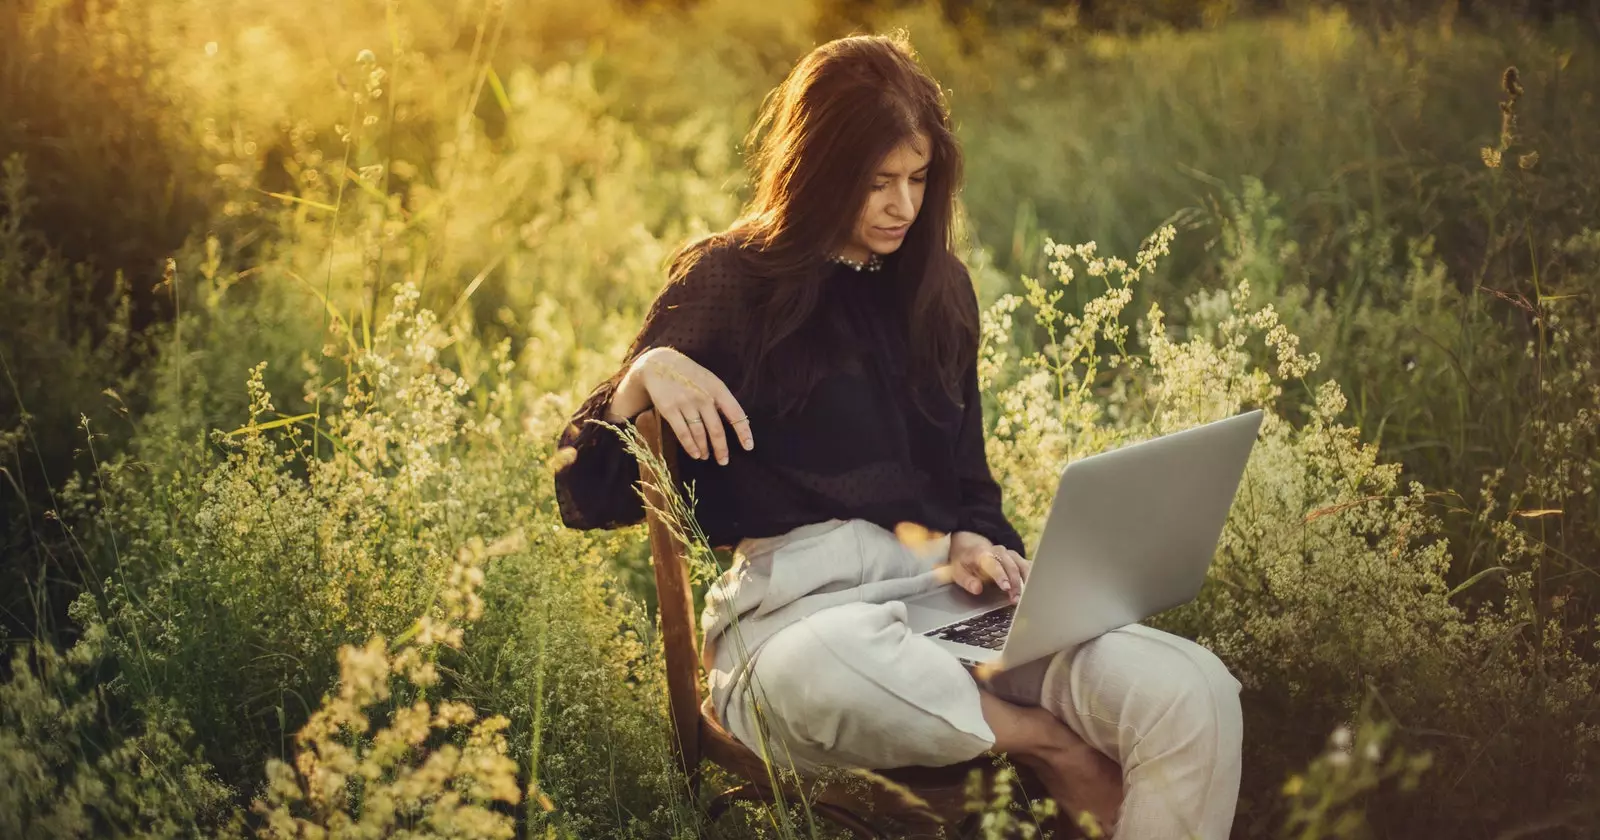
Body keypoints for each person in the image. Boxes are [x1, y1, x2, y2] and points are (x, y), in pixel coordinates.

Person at [553, 32, 1242, 839]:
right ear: (817, 170)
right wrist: (644, 375)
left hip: (943, 609)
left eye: (918, 180)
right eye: (876, 182)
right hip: (795, 624)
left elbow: (970, 484)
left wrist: (982, 544)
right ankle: (1046, 744)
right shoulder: (730, 280)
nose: (902, 206)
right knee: (831, 667)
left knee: (1194, 691)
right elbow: (581, 492)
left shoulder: (939, 288)